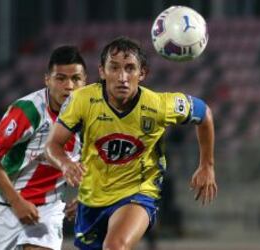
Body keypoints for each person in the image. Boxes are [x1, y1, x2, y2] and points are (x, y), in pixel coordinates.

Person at [45, 37, 217, 250]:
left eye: (130, 68)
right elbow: (52, 144)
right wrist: (65, 164)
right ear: (102, 72)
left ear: (142, 73)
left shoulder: (159, 105)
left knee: (115, 246)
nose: (122, 77)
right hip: (92, 198)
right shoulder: (82, 100)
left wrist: (206, 165)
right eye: (114, 68)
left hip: (139, 193)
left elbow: (204, 114)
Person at [0, 45, 87, 250]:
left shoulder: (91, 116)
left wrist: (86, 197)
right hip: (6, 206)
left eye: (76, 79)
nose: (69, 86)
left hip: (49, 209)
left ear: (85, 81)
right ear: (47, 79)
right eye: (60, 78)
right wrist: (16, 201)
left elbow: (98, 163)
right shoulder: (28, 110)